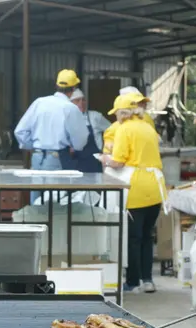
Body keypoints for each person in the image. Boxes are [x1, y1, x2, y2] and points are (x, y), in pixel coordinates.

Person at [101, 93, 168, 294]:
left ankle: (132, 282)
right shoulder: (148, 127)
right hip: (156, 187)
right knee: (148, 236)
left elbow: (119, 161)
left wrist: (105, 159)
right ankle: (147, 280)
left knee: (133, 237)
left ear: (122, 113)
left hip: (136, 188)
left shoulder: (124, 130)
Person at [14, 69, 89, 203]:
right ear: (74, 88)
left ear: (56, 86)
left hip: (37, 158)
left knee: (36, 201)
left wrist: (35, 146)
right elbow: (81, 140)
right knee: (57, 202)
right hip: (58, 158)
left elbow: (20, 131)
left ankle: (36, 224)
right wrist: (74, 147)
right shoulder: (70, 108)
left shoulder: (39, 103)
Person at [62, 88, 111, 173]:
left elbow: (113, 131)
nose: (81, 103)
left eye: (83, 100)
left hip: (93, 164)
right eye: (77, 101)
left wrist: (107, 150)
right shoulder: (64, 118)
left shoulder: (95, 117)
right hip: (73, 164)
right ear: (70, 103)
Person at [102, 86, 155, 154]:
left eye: (143, 102)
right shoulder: (114, 128)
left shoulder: (146, 118)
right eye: (140, 102)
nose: (145, 105)